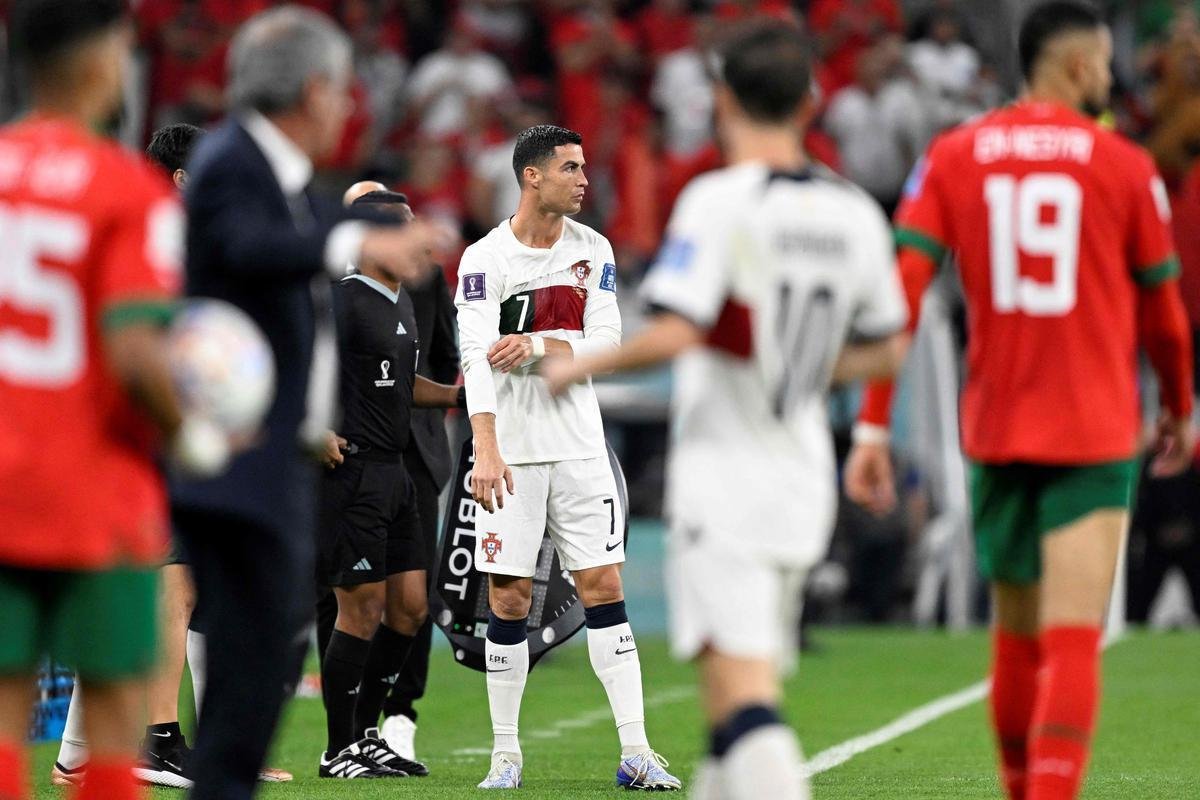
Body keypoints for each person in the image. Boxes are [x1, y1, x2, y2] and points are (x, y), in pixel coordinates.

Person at [543, 22, 908, 800]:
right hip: (803, 475)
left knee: (744, 702)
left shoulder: (720, 202)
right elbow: (886, 350)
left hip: (728, 478)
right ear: (811, 102)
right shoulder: (854, 214)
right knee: (725, 717)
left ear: (721, 100)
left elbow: (677, 327)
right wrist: (800, 360)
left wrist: (577, 364)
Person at [844, 4, 1196, 799]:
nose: (1111, 79)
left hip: (997, 426)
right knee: (1074, 640)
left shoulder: (954, 155)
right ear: (1078, 68)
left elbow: (899, 293)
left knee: (1016, 635)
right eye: (1105, 65)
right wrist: (1176, 404)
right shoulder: (1124, 163)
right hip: (1093, 427)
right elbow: (1167, 320)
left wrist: (873, 422)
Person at [170, 7, 437, 799]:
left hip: (274, 458)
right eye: (344, 91)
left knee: (272, 659)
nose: (349, 107)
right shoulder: (232, 163)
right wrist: (352, 243)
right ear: (316, 89)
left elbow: (304, 221)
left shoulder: (274, 169)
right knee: (256, 661)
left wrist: (359, 230)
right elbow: (248, 246)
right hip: (241, 455)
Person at [0, 2, 229, 799]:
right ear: (102, 64)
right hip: (94, 482)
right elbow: (137, 354)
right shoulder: (125, 191)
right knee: (113, 707)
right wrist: (190, 433)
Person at [455, 124, 681, 791]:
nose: (585, 180)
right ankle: (505, 756)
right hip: (514, 456)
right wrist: (485, 449)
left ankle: (636, 753)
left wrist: (541, 347)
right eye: (571, 169)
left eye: (583, 168)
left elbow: (607, 340)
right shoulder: (484, 259)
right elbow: (475, 357)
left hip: (580, 447)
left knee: (604, 588)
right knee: (509, 595)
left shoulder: (593, 250)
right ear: (531, 176)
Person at [312, 184, 463, 779]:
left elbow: (403, 384)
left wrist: (455, 396)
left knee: (408, 608)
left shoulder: (401, 300)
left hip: (397, 471)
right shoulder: (340, 301)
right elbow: (291, 363)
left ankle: (368, 732)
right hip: (352, 472)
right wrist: (314, 431)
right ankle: (337, 748)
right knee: (360, 608)